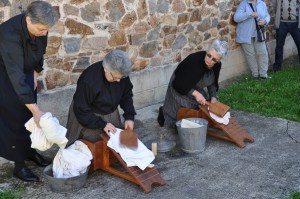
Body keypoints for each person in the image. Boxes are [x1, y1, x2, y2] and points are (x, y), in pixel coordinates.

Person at [0, 1, 58, 182]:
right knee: (15, 119)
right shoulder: (8, 33)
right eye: (41, 29)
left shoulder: (41, 27)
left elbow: (40, 52)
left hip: (24, 71)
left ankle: (30, 152)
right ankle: (19, 165)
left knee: (30, 117)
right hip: (6, 76)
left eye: (47, 29)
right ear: (28, 21)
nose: (45, 33)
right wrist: (37, 111)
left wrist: (34, 72)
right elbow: (15, 76)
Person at [66, 50, 136, 145]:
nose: (119, 81)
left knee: (114, 144)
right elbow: (81, 109)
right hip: (86, 114)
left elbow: (126, 95)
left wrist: (129, 116)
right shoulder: (89, 80)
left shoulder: (121, 73)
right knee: (89, 147)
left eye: (121, 77)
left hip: (109, 111)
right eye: (115, 77)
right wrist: (102, 124)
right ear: (105, 69)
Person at [157, 39, 229, 129]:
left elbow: (212, 83)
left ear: (218, 60)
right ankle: (164, 113)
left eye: (214, 59)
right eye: (209, 55)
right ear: (207, 51)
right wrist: (196, 94)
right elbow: (178, 83)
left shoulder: (217, 66)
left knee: (197, 108)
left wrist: (213, 97)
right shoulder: (194, 61)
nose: (209, 60)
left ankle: (188, 121)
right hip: (179, 86)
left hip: (194, 87)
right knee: (176, 113)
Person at [234, 0, 271, 79]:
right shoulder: (243, 4)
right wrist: (249, 14)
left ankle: (263, 75)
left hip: (259, 33)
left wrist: (265, 21)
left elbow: (267, 15)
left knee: (263, 53)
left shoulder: (262, 3)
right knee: (250, 55)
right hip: (245, 34)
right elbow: (236, 18)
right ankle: (255, 75)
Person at [272, 0, 300, 72]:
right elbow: (275, 6)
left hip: (296, 23)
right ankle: (277, 67)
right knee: (279, 45)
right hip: (282, 23)